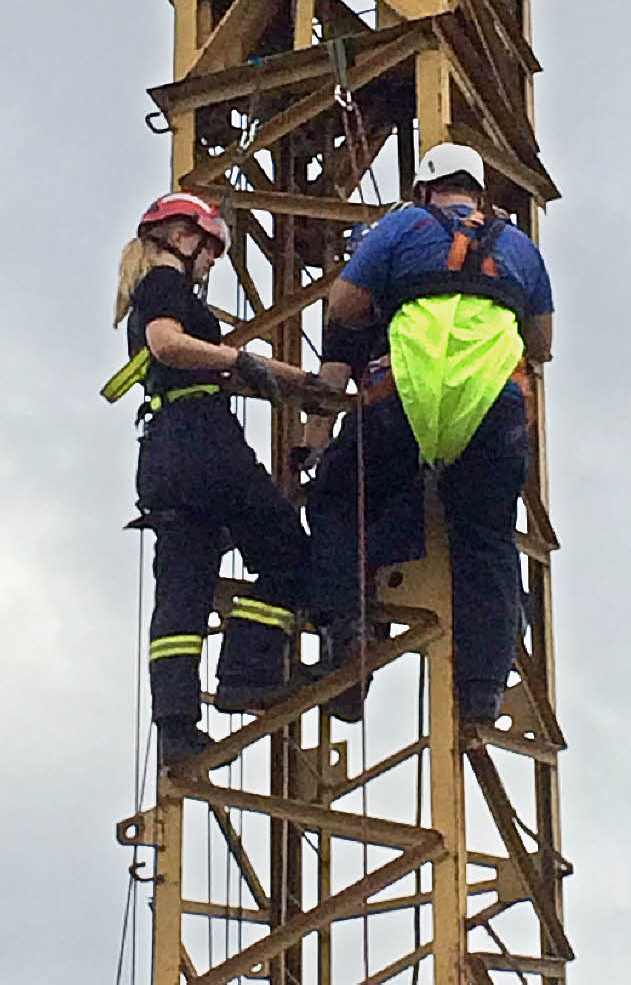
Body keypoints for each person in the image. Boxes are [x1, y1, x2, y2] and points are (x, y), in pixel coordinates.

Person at [297, 143, 554, 725]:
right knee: (486, 541)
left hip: (406, 398)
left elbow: (343, 305)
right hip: (493, 406)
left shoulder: (402, 225)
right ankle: (483, 691)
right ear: (481, 192)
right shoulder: (520, 248)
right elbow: (541, 345)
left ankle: (349, 631)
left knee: (340, 497)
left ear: (423, 189)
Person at [112, 191, 314, 759]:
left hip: (161, 454)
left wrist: (292, 381)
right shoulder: (164, 285)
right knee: (288, 555)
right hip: (204, 442)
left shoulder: (145, 293)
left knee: (181, 593)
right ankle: (246, 672)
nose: (212, 263)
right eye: (211, 250)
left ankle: (175, 727)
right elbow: (170, 345)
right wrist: (244, 362)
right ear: (182, 236)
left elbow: (199, 360)